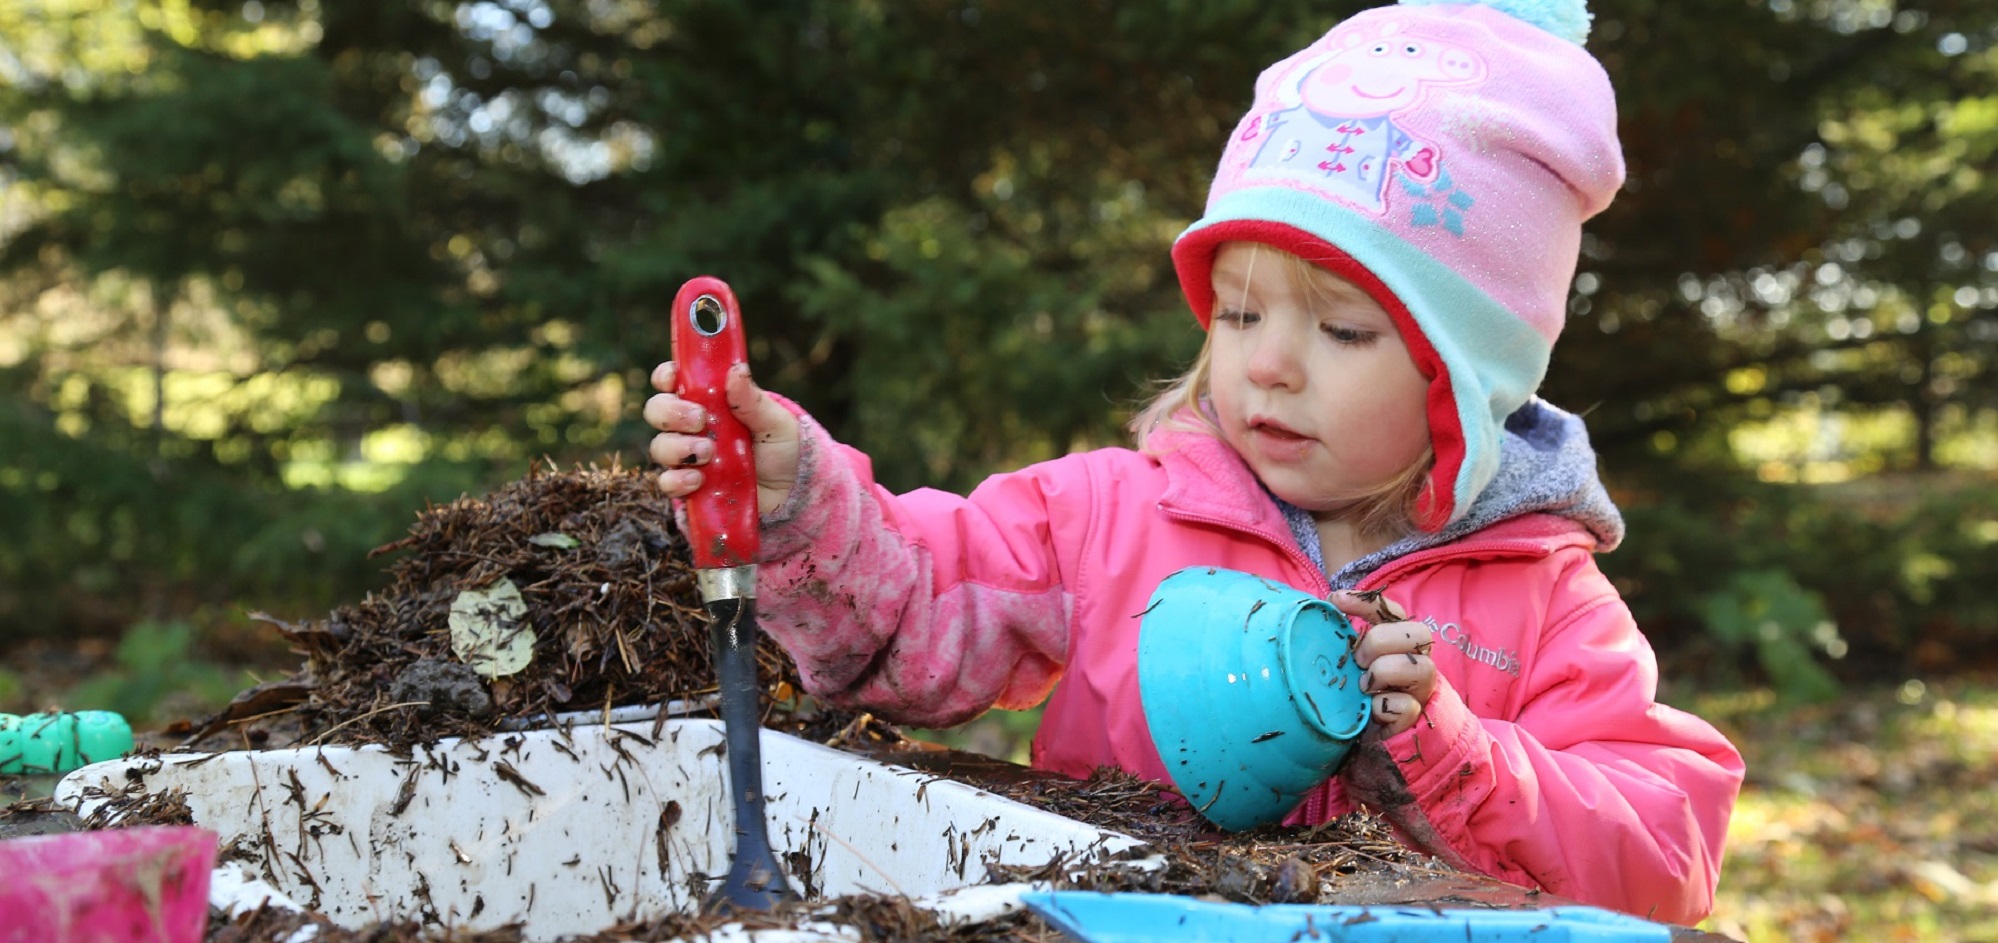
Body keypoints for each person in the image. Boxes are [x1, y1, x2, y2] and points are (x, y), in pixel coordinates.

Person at [644, 0, 1743, 925]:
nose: (1266, 366)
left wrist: (1453, 755)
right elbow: (917, 609)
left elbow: (1662, 853)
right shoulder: (1109, 516)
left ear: (1464, 381)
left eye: (1342, 330)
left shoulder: (1544, 597)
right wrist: (798, 498)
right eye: (1237, 311)